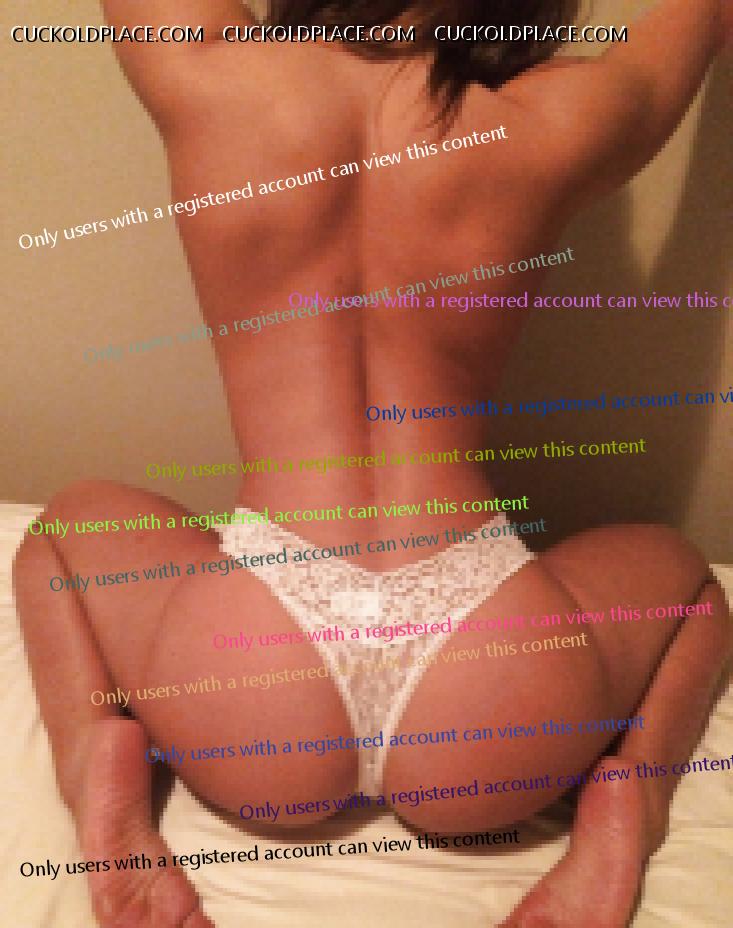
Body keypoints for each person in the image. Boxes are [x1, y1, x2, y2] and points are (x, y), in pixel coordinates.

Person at [13, 1, 732, 926]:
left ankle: (95, 769)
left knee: (67, 526)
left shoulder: (211, 68)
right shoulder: (556, 120)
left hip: (251, 681)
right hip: (494, 686)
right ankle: (627, 810)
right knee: (688, 584)